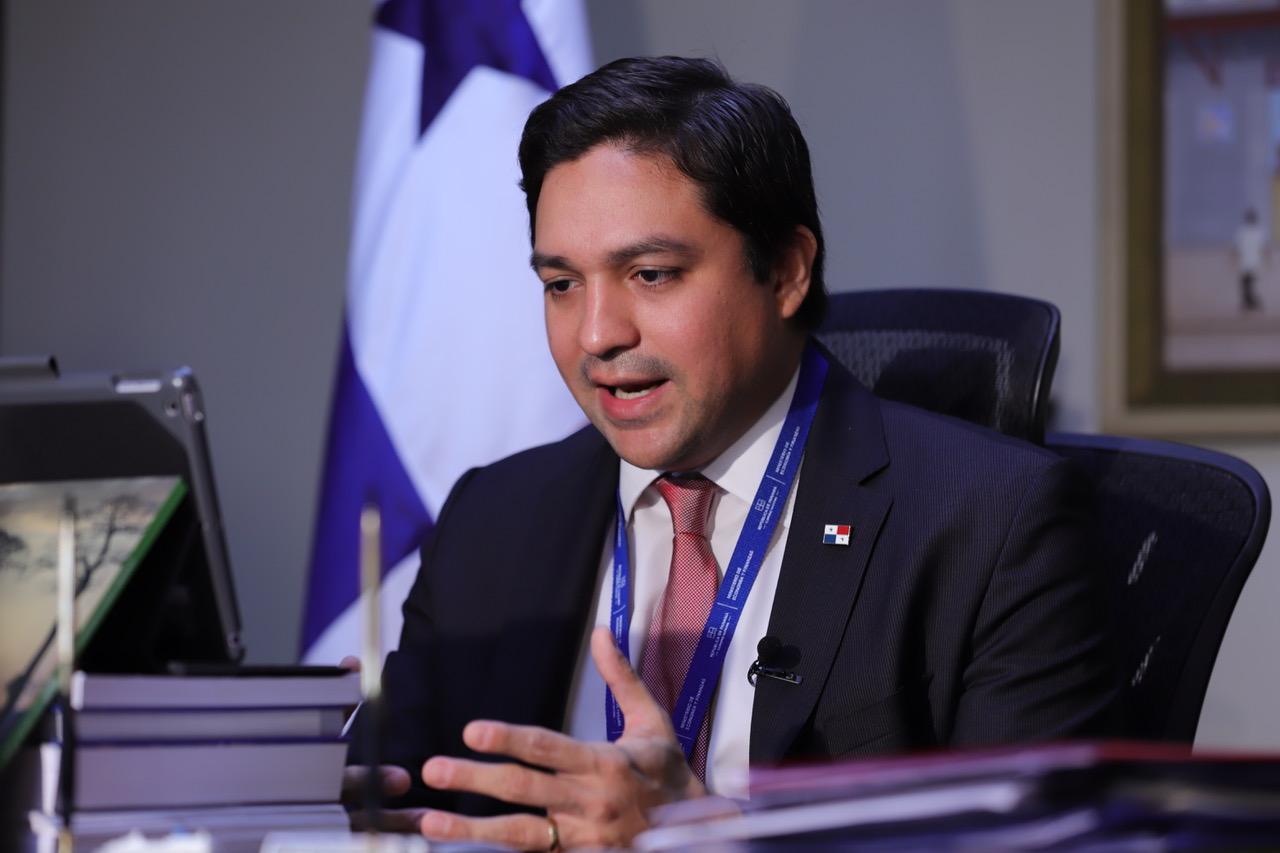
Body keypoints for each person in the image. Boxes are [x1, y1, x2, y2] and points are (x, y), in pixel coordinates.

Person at [343, 56, 1115, 850]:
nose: (598, 334)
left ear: (785, 272)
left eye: (650, 274)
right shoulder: (493, 518)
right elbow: (387, 798)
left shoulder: (994, 523)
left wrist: (710, 839)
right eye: (562, 284)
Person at [1235, 207, 1265, 312]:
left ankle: (1251, 302)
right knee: (1245, 283)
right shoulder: (1243, 231)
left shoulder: (1258, 231)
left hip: (1254, 261)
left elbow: (1263, 247)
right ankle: (1250, 302)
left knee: (1249, 283)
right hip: (1245, 262)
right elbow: (1237, 247)